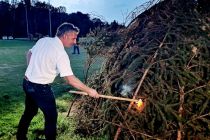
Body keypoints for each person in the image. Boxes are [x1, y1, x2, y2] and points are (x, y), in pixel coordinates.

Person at [16, 22, 99, 140]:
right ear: (65, 36)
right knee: (51, 117)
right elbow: (70, 80)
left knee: (29, 112)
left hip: (27, 83)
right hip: (41, 89)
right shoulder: (60, 53)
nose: (75, 42)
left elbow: (29, 53)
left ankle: (20, 137)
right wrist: (89, 90)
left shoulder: (43, 40)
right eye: (74, 38)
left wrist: (32, 69)